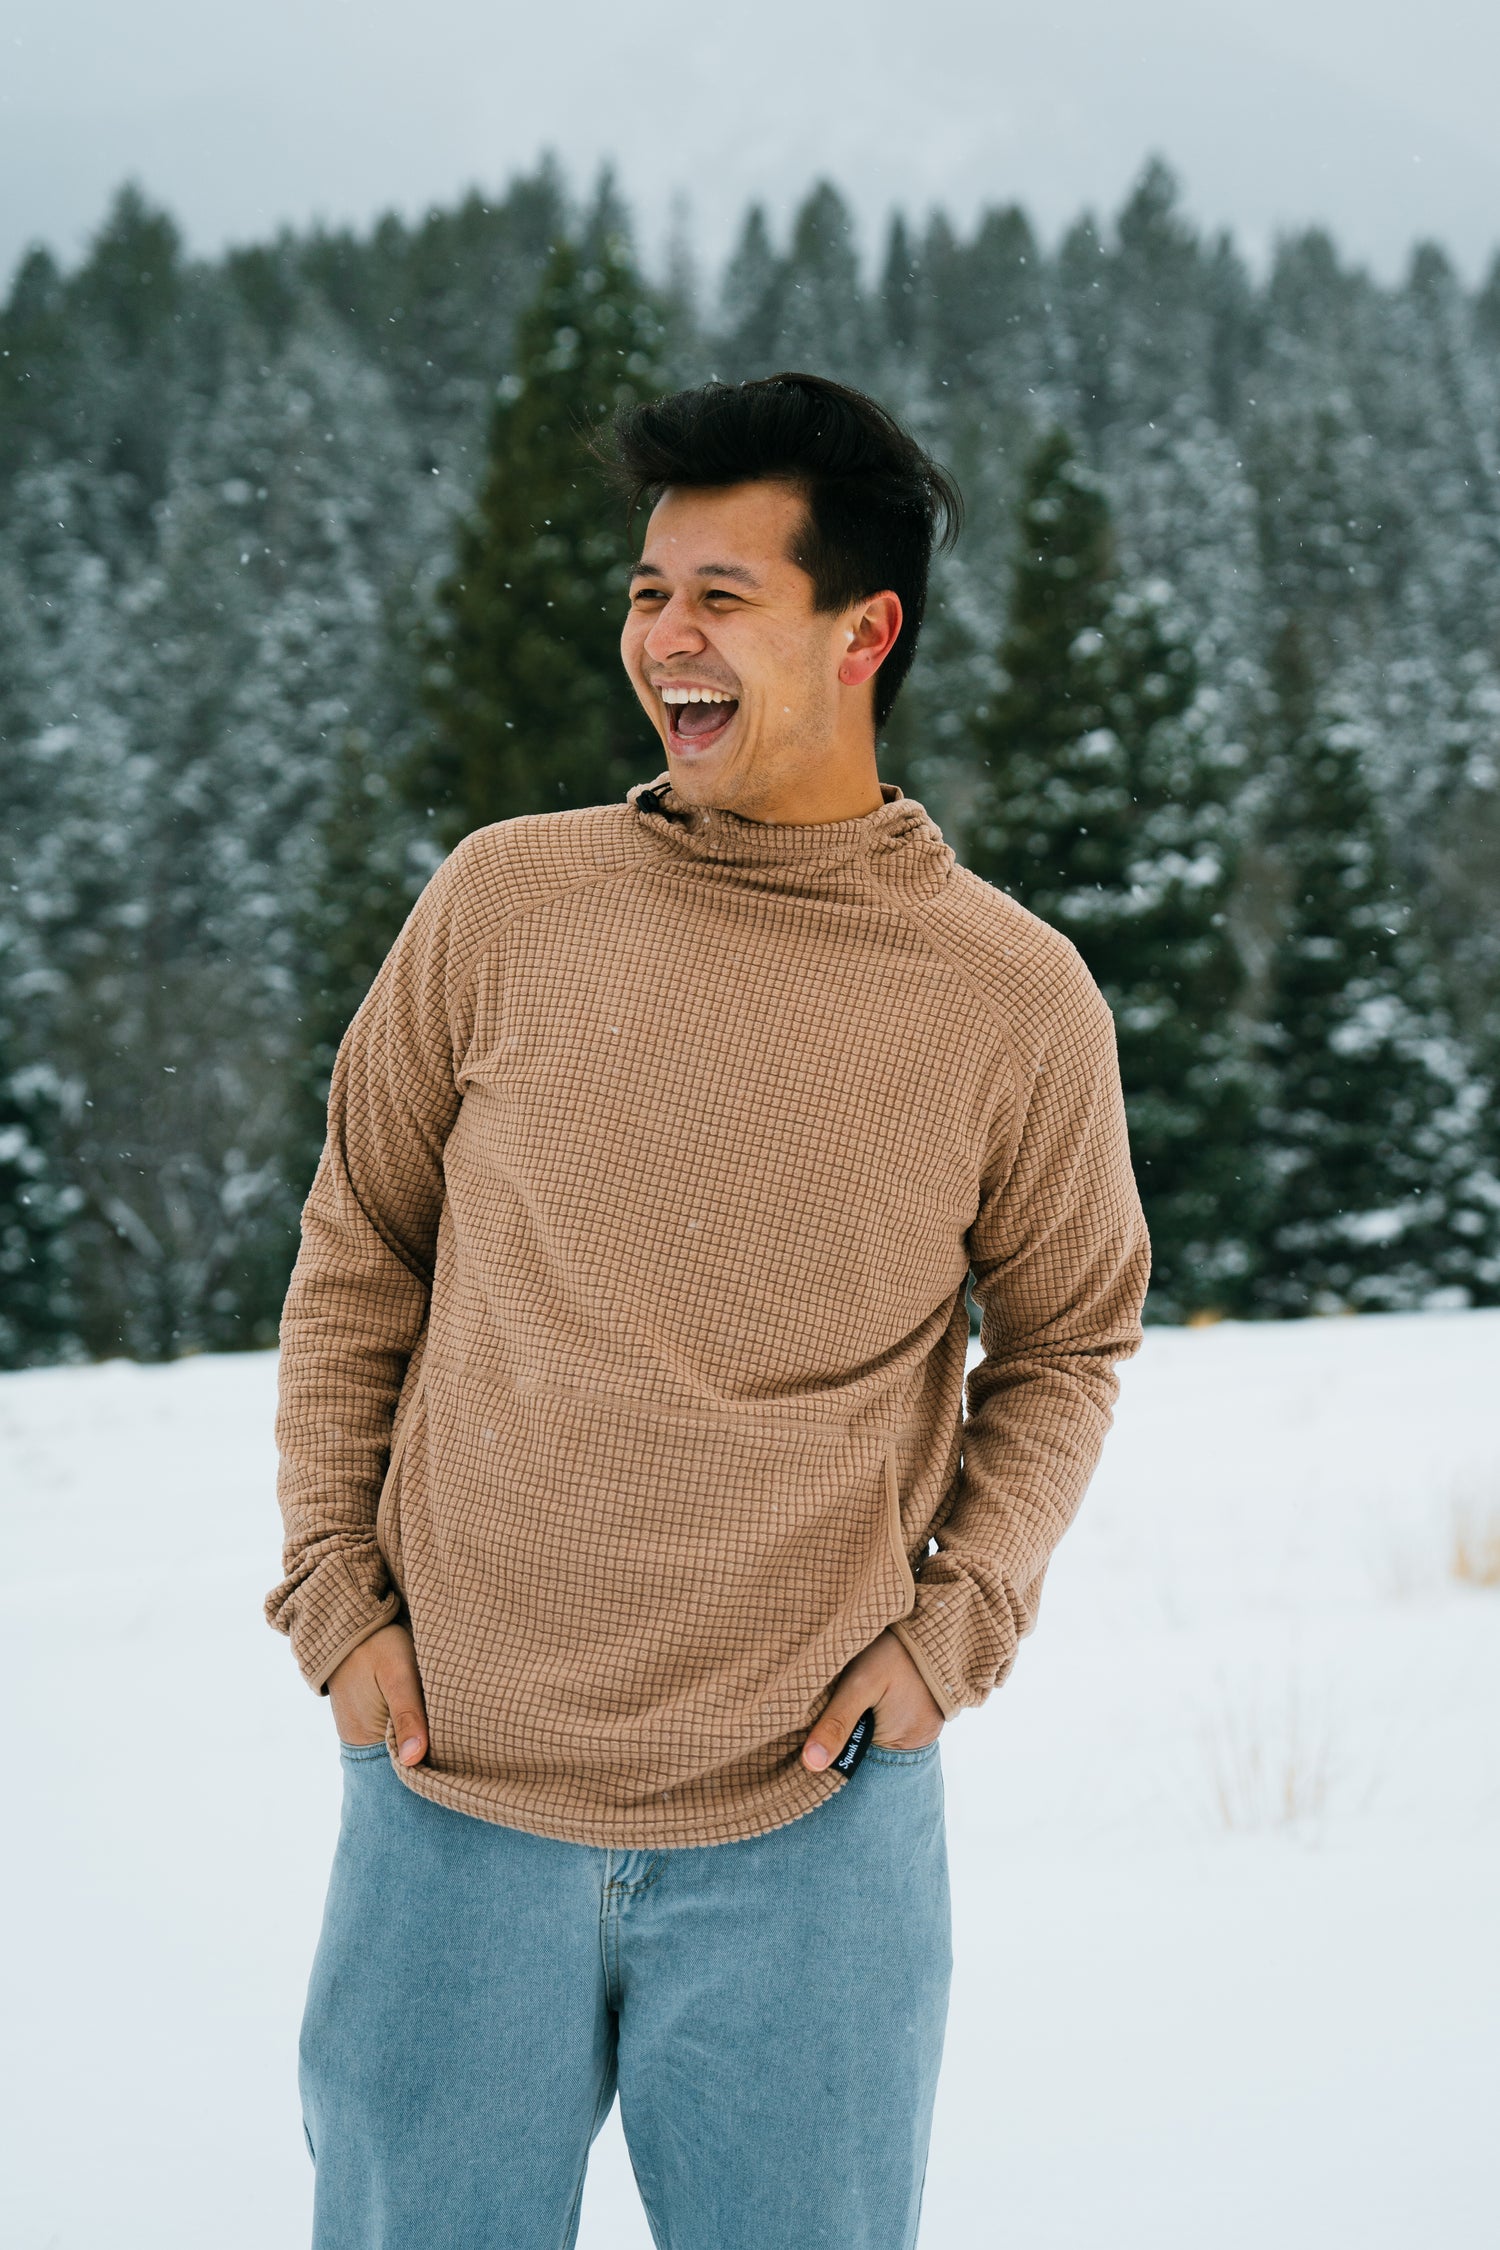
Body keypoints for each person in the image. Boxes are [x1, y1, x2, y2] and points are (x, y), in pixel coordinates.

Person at [268, 370, 1150, 2250]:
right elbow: (363, 1249)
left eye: (721, 594)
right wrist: (337, 1595)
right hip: (451, 1804)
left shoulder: (1012, 997)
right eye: (650, 588)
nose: (663, 634)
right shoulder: (503, 903)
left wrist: (954, 1628)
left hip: (810, 1833)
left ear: (863, 630)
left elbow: (1069, 1339)